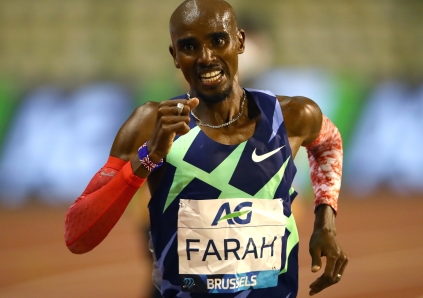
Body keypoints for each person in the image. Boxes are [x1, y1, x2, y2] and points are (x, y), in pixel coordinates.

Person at [64, 0, 348, 297]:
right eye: (189, 46)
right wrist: (149, 158)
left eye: (218, 40)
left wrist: (325, 220)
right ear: (175, 56)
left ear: (240, 42)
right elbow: (77, 236)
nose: (206, 57)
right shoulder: (149, 124)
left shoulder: (292, 116)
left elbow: (329, 144)